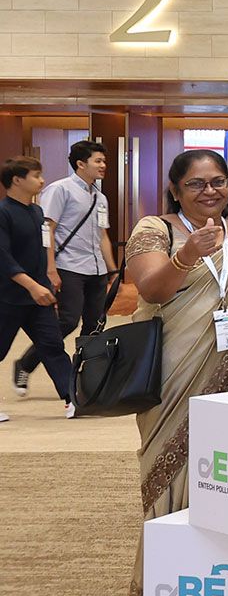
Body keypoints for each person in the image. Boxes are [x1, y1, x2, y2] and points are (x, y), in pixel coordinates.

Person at [122, 150, 228, 596]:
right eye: (196, 184)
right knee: (165, 471)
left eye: (218, 182)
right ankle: (160, 589)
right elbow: (150, 289)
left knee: (222, 478)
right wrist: (186, 256)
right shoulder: (155, 229)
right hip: (170, 376)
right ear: (175, 189)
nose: (210, 191)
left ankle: (213, 587)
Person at [15, 140, 113, 402]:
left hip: (95, 268)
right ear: (80, 164)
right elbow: (47, 230)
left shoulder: (100, 197)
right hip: (68, 265)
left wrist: (112, 270)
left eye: (104, 161)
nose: (103, 165)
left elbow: (103, 235)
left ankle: (86, 380)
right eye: (98, 161)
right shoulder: (60, 190)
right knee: (68, 320)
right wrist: (50, 268)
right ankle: (26, 362)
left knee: (95, 325)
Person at [1, 157, 76, 422]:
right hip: (8, 297)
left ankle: (73, 399)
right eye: (35, 175)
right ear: (17, 180)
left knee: (52, 345)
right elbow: (3, 257)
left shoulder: (36, 212)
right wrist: (31, 285)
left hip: (39, 296)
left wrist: (46, 278)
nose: (42, 181)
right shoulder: (3, 212)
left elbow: (42, 250)